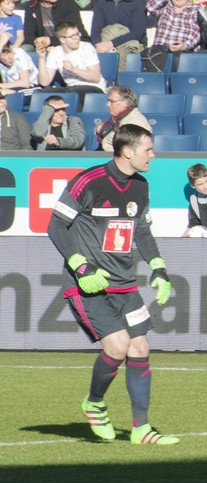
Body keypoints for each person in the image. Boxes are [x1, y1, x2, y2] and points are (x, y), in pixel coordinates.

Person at [46, 124, 180, 446]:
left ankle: (141, 429)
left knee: (140, 347)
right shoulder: (88, 181)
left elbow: (142, 231)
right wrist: (81, 266)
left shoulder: (141, 186)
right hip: (88, 285)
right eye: (148, 149)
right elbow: (55, 225)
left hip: (126, 285)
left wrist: (159, 268)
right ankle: (94, 401)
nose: (153, 154)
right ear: (127, 151)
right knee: (118, 346)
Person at [36, 21, 107, 105]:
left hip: (94, 88)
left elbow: (96, 78)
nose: (77, 38)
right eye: (73, 36)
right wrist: (41, 58)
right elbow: (45, 82)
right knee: (40, 93)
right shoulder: (55, 52)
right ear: (62, 39)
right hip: (70, 89)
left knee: (71, 94)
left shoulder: (87, 48)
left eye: (77, 34)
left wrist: (74, 69)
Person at [89, 0, 148, 70]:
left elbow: (137, 33)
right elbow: (95, 30)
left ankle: (119, 80)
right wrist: (98, 45)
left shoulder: (137, 3)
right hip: (106, 38)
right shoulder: (101, 3)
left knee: (120, 54)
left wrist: (111, 43)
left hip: (130, 41)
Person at [96, 85, 152, 152]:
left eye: (112, 101)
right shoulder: (118, 118)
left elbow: (129, 149)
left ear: (125, 103)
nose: (107, 104)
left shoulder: (136, 122)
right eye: (108, 101)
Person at [24, 0, 91, 51]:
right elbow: (28, 35)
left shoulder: (68, 4)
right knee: (24, 49)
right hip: (42, 47)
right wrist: (43, 45)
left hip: (66, 45)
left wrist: (51, 41)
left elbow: (80, 36)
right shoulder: (31, 6)